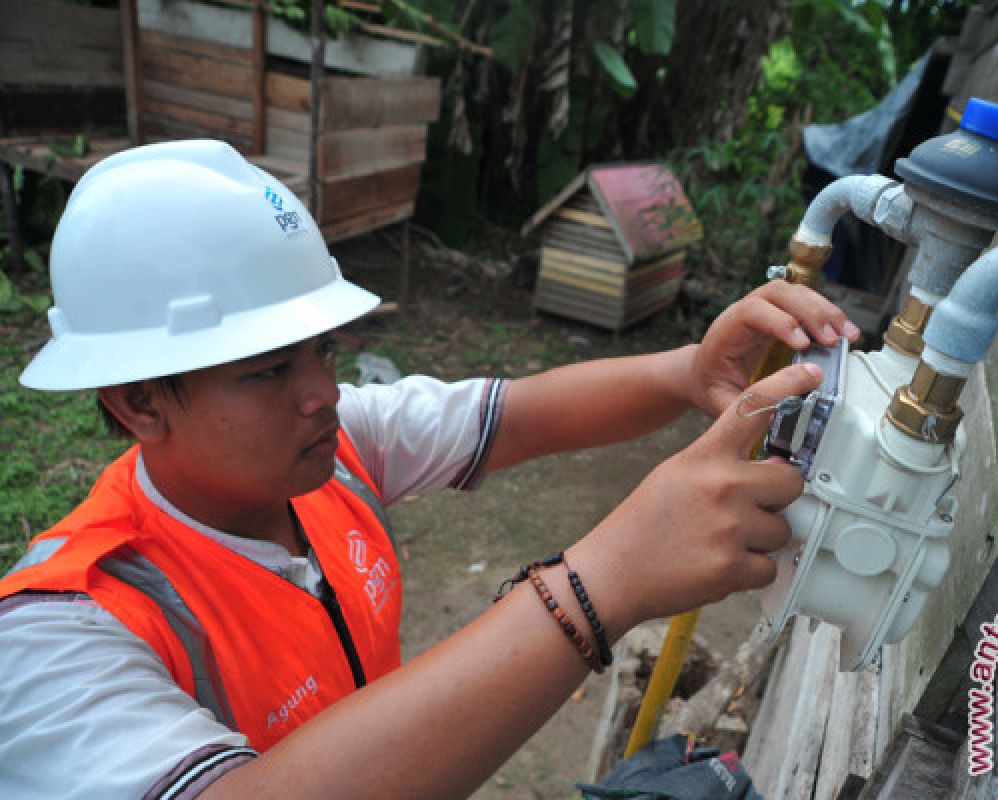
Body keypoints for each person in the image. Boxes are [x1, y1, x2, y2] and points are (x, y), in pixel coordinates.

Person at [0, 140, 857, 799]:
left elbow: (515, 416)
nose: (322, 393)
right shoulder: (61, 633)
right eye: (267, 369)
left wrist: (684, 372)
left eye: (324, 350)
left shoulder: (331, 453)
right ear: (137, 403)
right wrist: (600, 585)